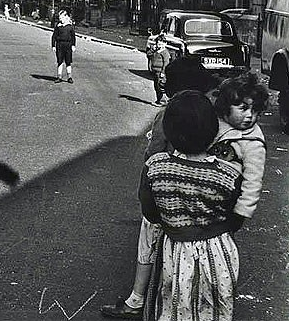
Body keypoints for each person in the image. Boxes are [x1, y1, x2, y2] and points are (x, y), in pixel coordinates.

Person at [100, 56, 217, 320]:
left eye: (167, 75)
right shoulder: (209, 110)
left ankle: (137, 299)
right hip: (198, 205)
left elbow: (152, 155)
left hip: (165, 197)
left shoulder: (169, 113)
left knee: (149, 247)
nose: (162, 77)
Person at [139, 90, 242, 321]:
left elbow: (150, 212)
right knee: (214, 308)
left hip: (174, 251)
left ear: (169, 132)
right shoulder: (228, 175)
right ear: (214, 131)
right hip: (218, 252)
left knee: (174, 304)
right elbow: (237, 217)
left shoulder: (156, 167)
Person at [208, 72, 268, 226]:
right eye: (243, 108)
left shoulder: (253, 143)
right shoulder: (214, 124)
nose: (250, 116)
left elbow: (253, 180)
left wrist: (241, 212)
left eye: (254, 110)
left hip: (227, 204)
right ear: (225, 106)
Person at [51, 8, 76, 83]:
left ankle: (69, 77)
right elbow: (54, 36)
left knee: (68, 62)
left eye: (62, 17)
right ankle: (59, 77)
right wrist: (53, 45)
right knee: (60, 61)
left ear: (66, 17)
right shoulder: (58, 26)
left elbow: (73, 37)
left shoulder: (70, 26)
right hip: (59, 45)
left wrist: (73, 45)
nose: (60, 19)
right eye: (59, 18)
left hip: (68, 45)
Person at [146, 36, 171, 106]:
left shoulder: (165, 52)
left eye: (161, 44)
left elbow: (166, 63)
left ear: (165, 44)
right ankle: (158, 100)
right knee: (156, 86)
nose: (159, 46)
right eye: (158, 44)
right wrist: (152, 50)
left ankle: (163, 101)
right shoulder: (156, 51)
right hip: (155, 71)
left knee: (160, 86)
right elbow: (148, 55)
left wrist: (163, 72)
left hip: (160, 72)